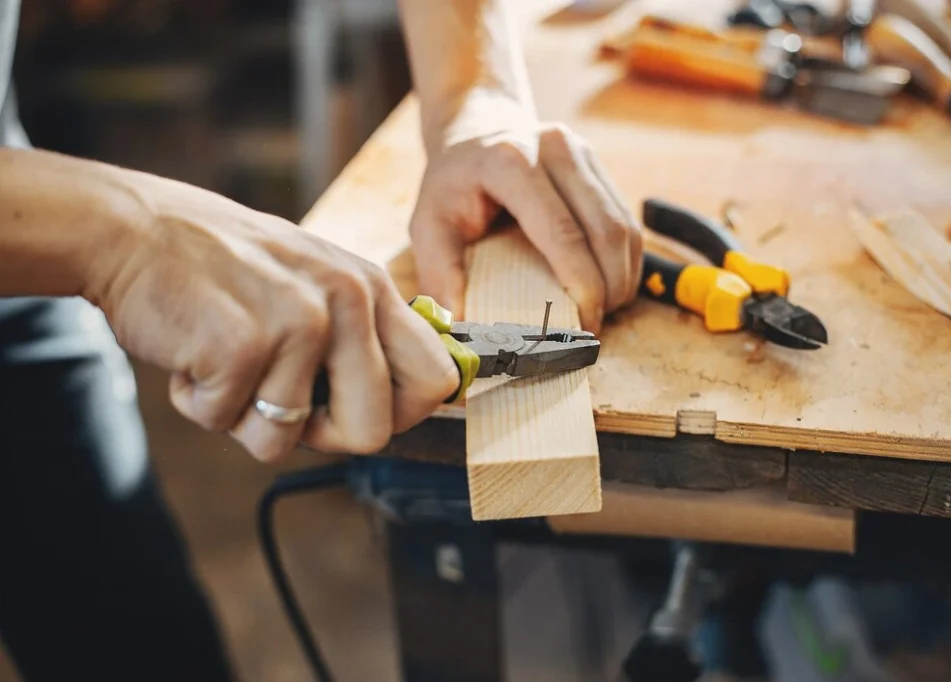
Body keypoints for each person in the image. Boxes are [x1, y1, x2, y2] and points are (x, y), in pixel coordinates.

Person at [0, 0, 642, 679]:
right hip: (54, 229)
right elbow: (112, 234)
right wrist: (120, 234)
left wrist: (472, 96)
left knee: (141, 643)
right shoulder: (111, 234)